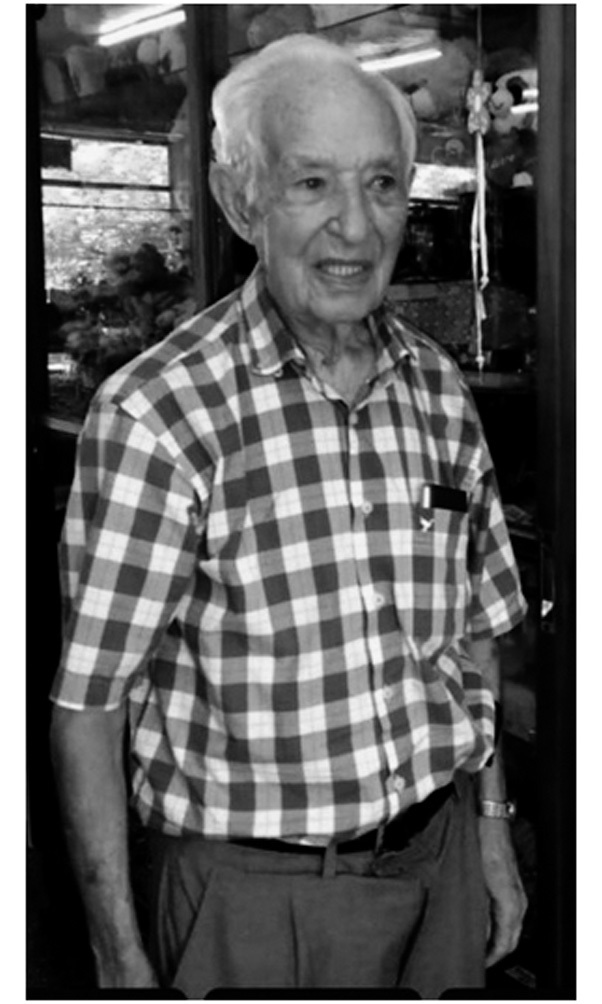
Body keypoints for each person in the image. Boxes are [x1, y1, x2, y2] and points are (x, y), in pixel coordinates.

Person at [49, 33, 528, 998]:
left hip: (437, 867)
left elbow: (475, 637)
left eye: (382, 184)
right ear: (242, 203)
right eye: (312, 183)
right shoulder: (160, 413)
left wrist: (490, 830)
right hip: (252, 896)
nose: (355, 226)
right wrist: (119, 958)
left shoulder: (437, 389)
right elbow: (90, 707)